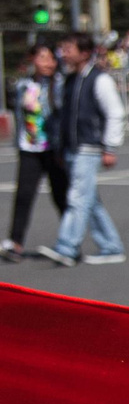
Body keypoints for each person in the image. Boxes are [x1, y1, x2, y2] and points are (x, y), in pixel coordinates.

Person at [41, 33, 126, 267]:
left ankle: (67, 248)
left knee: (77, 198)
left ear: (85, 53)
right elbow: (63, 116)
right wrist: (60, 147)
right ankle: (111, 246)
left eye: (69, 49)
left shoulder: (99, 79)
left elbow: (115, 113)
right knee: (90, 200)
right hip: (72, 148)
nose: (64, 53)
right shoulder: (70, 80)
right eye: (63, 48)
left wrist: (110, 147)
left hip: (89, 147)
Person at [3, 40, 67, 261]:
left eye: (51, 58)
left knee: (60, 195)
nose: (48, 63)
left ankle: (70, 241)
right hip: (29, 148)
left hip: (53, 148)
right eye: (42, 58)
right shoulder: (23, 85)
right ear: (32, 60)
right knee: (23, 195)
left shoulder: (59, 84)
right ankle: (16, 243)